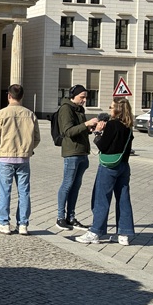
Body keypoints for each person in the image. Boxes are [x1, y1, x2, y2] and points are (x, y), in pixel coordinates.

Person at [77, 98, 135, 246]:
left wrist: (97, 133)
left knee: (101, 198)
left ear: (117, 109)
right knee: (123, 199)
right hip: (124, 166)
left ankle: (95, 232)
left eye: (111, 107)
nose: (109, 109)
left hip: (109, 166)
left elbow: (103, 145)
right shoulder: (128, 126)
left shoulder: (112, 125)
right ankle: (124, 234)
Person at [0, 84, 40, 236]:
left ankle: (3, 222)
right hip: (23, 159)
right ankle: (23, 224)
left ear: (9, 96)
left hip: (5, 157)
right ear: (22, 97)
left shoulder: (0, 114)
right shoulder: (30, 115)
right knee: (24, 192)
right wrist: (28, 149)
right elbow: (36, 138)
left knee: (5, 191)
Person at [55, 85, 100, 231]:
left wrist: (90, 128)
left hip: (82, 152)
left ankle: (71, 217)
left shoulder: (80, 109)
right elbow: (67, 131)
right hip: (72, 152)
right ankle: (60, 217)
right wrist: (86, 124)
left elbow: (79, 129)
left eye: (86, 97)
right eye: (82, 97)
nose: (84, 100)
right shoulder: (66, 109)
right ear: (73, 96)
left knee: (76, 186)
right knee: (67, 184)